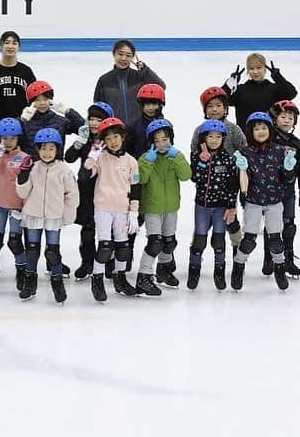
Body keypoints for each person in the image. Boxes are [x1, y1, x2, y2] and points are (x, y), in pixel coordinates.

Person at [230, 112, 297, 291]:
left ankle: (279, 269)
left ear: (270, 129)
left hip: (275, 201)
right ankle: (238, 267)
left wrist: (289, 169)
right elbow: (242, 185)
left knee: (275, 240)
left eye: (264, 128)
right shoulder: (245, 153)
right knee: (249, 239)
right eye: (256, 128)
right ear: (250, 132)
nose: (260, 131)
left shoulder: (280, 151)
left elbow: (288, 180)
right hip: (253, 201)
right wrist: (242, 169)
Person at [14, 128, 80, 303]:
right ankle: (30, 281)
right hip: (33, 214)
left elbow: (72, 195)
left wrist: (67, 215)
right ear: (37, 150)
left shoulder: (64, 170)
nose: (47, 152)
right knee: (32, 250)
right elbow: (22, 193)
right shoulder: (33, 168)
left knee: (53, 252)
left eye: (51, 148)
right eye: (43, 148)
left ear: (57, 149)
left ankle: (57, 282)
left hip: (54, 216)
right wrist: (23, 175)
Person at [84, 118, 141, 301]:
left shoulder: (131, 161)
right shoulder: (100, 158)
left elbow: (136, 188)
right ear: (103, 142)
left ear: (123, 137)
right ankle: (97, 279)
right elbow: (85, 176)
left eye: (116, 136)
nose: (113, 141)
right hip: (103, 208)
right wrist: (91, 157)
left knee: (123, 247)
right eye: (108, 139)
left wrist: (133, 212)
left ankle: (120, 277)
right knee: (105, 246)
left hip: (122, 210)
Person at [135, 119, 191, 295]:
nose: (161, 143)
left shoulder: (174, 157)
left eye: (164, 139)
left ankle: (163, 270)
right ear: (151, 142)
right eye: (156, 140)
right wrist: (148, 162)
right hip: (152, 208)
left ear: (170, 139)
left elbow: (186, 175)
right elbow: (141, 179)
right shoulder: (145, 158)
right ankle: (144, 275)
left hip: (171, 207)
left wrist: (178, 157)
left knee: (169, 242)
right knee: (155, 242)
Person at [64, 102, 115, 281]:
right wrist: (79, 142)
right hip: (85, 191)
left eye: (98, 120)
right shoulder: (85, 140)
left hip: (106, 191)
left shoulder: (111, 142)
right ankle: (87, 263)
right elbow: (68, 158)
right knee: (87, 231)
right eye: (91, 119)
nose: (94, 123)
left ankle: (108, 262)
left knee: (107, 230)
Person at [188, 120, 238, 291]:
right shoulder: (197, 155)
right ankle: (194, 271)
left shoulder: (228, 159)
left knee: (219, 241)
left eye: (218, 137)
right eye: (210, 136)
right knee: (199, 241)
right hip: (202, 206)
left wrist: (232, 206)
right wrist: (202, 162)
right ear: (204, 138)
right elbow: (195, 178)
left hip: (221, 207)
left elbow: (233, 184)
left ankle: (220, 272)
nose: (214, 140)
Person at [0, 118, 30, 292]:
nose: (8, 141)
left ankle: (22, 270)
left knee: (15, 241)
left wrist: (24, 207)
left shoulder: (24, 158)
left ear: (18, 138)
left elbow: (27, 185)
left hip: (17, 206)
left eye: (12, 138)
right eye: (4, 138)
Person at [265, 100, 300, 278]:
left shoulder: (295, 142)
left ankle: (288, 259)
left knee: (289, 226)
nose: (287, 120)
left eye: (291, 118)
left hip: (289, 192)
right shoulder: (268, 138)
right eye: (283, 116)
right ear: (275, 119)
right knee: (271, 227)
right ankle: (269, 259)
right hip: (269, 191)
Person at [92, 39, 166, 125]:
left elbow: (161, 87)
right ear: (114, 54)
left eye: (128, 55)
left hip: (138, 128)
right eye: (120, 54)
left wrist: (145, 70)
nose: (123, 58)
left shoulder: (140, 76)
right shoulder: (104, 80)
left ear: (132, 57)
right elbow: (98, 108)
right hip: (115, 130)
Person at [221, 53, 297, 127]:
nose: (255, 72)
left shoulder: (273, 89)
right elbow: (221, 100)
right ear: (247, 70)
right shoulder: (240, 90)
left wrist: (278, 77)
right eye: (251, 68)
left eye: (259, 68)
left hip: (269, 136)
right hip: (245, 136)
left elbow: (291, 94)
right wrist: (231, 82)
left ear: (265, 68)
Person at [0, 31, 37, 120]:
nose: (10, 46)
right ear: (1, 46)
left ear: (19, 47)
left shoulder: (26, 70)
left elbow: (34, 97)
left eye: (14, 43)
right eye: (7, 43)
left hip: (23, 120)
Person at [20, 80, 85, 160]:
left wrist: (68, 111)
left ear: (51, 100)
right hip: (32, 168)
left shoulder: (60, 120)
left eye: (45, 99)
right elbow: (11, 138)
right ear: (31, 102)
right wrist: (22, 121)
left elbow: (83, 129)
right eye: (37, 100)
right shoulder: (26, 121)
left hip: (56, 168)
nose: (42, 103)